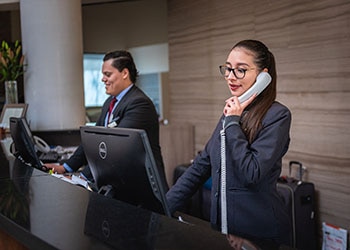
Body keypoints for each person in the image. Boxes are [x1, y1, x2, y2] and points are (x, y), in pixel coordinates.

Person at [166, 40, 291, 246]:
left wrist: (233, 121)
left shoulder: (277, 115)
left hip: (258, 234)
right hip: (223, 230)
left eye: (240, 70)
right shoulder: (231, 113)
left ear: (263, 76)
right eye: (228, 69)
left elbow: (252, 173)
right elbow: (200, 166)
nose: (231, 77)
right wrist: (163, 205)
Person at [46, 50, 166, 189]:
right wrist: (66, 167)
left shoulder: (139, 104)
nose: (103, 79)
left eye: (107, 74)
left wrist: (81, 177)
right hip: (119, 184)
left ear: (125, 73)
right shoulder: (110, 102)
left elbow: (114, 149)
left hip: (142, 189)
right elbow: (92, 140)